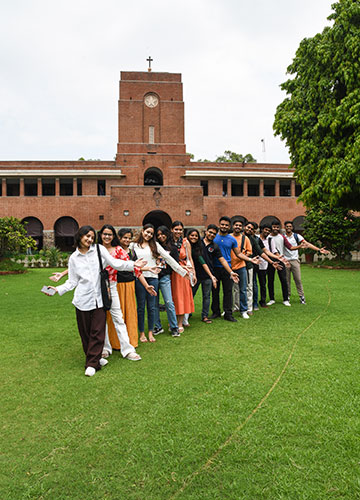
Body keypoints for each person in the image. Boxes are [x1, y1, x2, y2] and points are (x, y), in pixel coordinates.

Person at [46, 226, 145, 377]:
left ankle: (91, 364)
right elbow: (72, 282)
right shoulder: (73, 258)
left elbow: (115, 263)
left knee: (98, 332)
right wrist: (57, 289)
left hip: (99, 299)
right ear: (79, 236)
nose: (90, 240)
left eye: (92, 237)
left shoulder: (99, 250)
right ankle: (96, 357)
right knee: (85, 333)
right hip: (82, 300)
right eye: (87, 236)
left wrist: (133, 265)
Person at [98, 225, 153, 361]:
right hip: (96, 287)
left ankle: (127, 349)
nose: (107, 237)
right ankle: (105, 348)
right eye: (105, 234)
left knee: (118, 317)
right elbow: (81, 266)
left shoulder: (118, 250)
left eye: (110, 234)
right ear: (100, 235)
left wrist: (146, 285)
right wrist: (63, 274)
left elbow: (132, 265)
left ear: (113, 236)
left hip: (112, 285)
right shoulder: (95, 249)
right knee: (101, 319)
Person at [132, 223, 188, 342]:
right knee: (141, 307)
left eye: (151, 233)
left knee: (152, 307)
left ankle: (151, 332)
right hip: (140, 278)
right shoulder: (134, 246)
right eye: (147, 232)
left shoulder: (155, 245)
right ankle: (142, 333)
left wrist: (182, 271)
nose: (148, 235)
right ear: (142, 231)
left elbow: (169, 259)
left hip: (153, 278)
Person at [211, 216, 259, 322]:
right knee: (215, 291)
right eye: (222, 224)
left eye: (226, 225)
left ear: (229, 227)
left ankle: (228, 313)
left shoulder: (232, 239)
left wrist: (250, 260)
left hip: (228, 268)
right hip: (214, 267)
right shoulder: (214, 237)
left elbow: (238, 253)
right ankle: (216, 312)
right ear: (219, 224)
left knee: (228, 292)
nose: (224, 226)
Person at [282, 220, 329, 304]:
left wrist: (318, 249)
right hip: (285, 261)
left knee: (298, 279)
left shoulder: (296, 236)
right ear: (284, 227)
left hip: (294, 260)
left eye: (290, 226)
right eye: (287, 226)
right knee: (286, 280)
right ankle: (287, 297)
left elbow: (307, 244)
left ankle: (301, 297)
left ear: (292, 227)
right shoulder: (282, 237)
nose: (289, 228)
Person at [154, 225, 181, 337]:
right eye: (158, 235)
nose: (161, 236)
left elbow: (175, 264)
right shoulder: (153, 247)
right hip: (154, 277)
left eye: (163, 234)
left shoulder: (173, 248)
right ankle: (157, 326)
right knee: (154, 303)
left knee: (169, 302)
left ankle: (174, 327)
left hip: (165, 277)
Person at [186, 228, 217, 324]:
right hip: (193, 275)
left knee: (206, 296)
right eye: (192, 235)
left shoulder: (198, 247)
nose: (194, 237)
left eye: (196, 236)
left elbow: (202, 262)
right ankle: (187, 313)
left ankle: (205, 316)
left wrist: (211, 276)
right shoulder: (185, 245)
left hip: (205, 275)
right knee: (190, 295)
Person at [266, 221, 301, 306]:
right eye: (274, 227)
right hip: (269, 261)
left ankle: (285, 299)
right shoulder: (267, 237)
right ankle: (271, 299)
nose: (276, 229)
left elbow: (290, 247)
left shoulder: (282, 237)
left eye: (277, 227)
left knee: (283, 280)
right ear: (271, 228)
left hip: (280, 260)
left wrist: (300, 246)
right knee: (270, 280)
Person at [170, 221, 195, 333]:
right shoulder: (168, 242)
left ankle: (180, 323)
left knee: (182, 297)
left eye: (180, 229)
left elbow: (189, 258)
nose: (178, 232)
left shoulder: (185, 242)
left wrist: (193, 273)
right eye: (176, 229)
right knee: (172, 298)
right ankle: (172, 321)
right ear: (172, 230)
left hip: (183, 273)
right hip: (171, 273)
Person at [230, 220, 252, 319]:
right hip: (229, 267)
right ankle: (229, 308)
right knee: (229, 289)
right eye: (236, 225)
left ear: (242, 227)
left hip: (241, 266)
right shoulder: (228, 237)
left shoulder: (245, 238)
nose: (238, 227)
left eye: (240, 225)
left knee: (243, 289)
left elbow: (249, 251)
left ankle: (244, 310)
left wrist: (243, 256)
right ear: (233, 226)